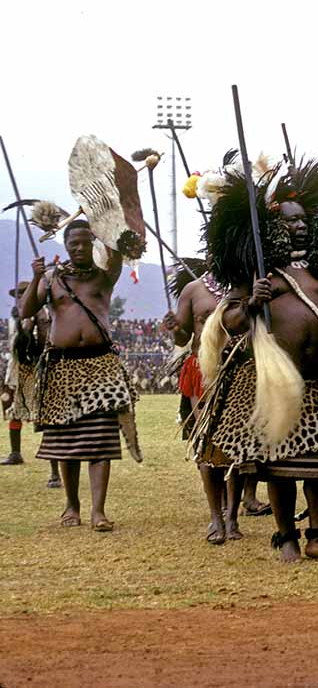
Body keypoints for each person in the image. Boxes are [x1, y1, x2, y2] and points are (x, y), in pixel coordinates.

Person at [192, 158, 318, 563]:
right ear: (271, 226)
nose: (299, 226)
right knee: (280, 466)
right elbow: (226, 317)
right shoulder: (259, 271)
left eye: (303, 221)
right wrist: (251, 302)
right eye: (289, 220)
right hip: (277, 384)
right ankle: (286, 538)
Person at [19, 221, 142, 531]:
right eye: (73, 242)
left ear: (92, 243)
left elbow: (116, 251)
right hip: (63, 368)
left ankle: (98, 511)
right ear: (65, 245)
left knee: (100, 440)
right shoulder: (51, 279)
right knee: (67, 442)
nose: (79, 247)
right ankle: (71, 506)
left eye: (85, 242)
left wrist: (106, 221)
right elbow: (25, 310)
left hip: (100, 367)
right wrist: (35, 277)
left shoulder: (104, 277)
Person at [164, 259, 270, 545]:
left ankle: (232, 515)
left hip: (241, 371)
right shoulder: (193, 290)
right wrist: (175, 329)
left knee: (235, 445)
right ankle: (215, 516)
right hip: (202, 371)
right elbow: (185, 335)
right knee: (208, 443)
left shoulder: (249, 286)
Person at [3, 281, 62, 488]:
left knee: (45, 415)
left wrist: (25, 325)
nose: (20, 297)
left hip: (38, 367)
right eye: (18, 294)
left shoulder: (42, 313)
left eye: (23, 293)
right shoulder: (16, 314)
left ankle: (55, 473)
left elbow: (40, 339)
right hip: (18, 368)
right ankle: (15, 452)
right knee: (13, 410)